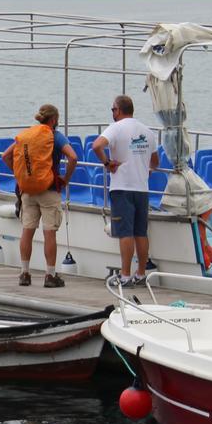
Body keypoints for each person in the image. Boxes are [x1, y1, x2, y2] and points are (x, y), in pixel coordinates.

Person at [1, 103, 78, 288]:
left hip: (27, 190)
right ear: (54, 120)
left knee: (27, 231)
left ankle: (24, 273)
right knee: (49, 232)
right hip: (49, 190)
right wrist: (65, 178)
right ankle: (50, 275)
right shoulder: (55, 136)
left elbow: (6, 156)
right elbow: (73, 157)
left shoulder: (28, 134)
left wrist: (20, 176)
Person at [91, 95, 159, 287]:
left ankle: (126, 275)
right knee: (141, 232)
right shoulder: (147, 131)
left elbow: (96, 145)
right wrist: (146, 170)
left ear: (118, 110)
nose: (112, 113)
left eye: (113, 109)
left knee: (125, 233)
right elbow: (155, 162)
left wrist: (107, 163)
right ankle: (141, 273)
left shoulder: (115, 128)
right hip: (142, 188)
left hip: (122, 187)